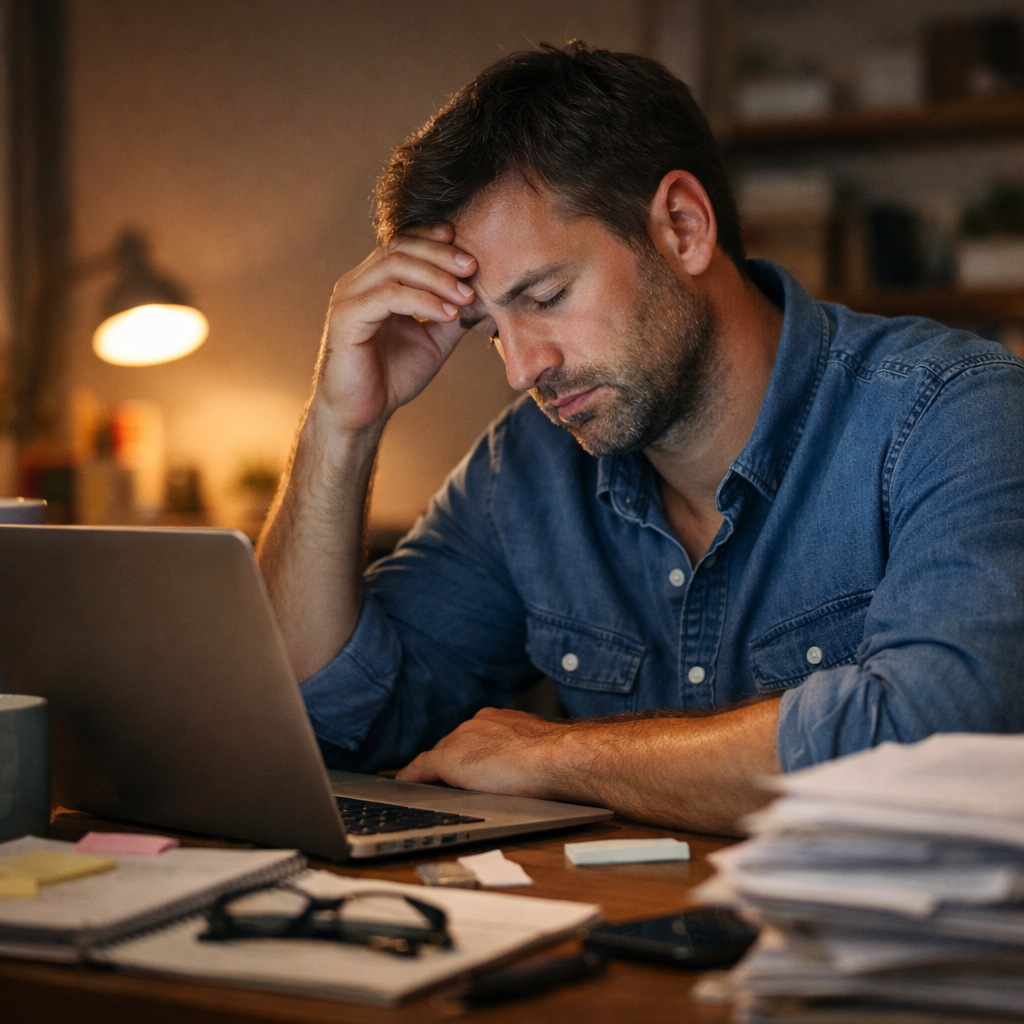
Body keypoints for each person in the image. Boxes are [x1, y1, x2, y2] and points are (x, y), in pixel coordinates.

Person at [257, 42, 1024, 836]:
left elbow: (935, 741)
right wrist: (341, 424)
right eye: (488, 330)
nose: (523, 370)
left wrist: (557, 757)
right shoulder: (523, 468)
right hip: (624, 943)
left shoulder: (954, 411)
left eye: (547, 296)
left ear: (683, 227)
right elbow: (324, 721)